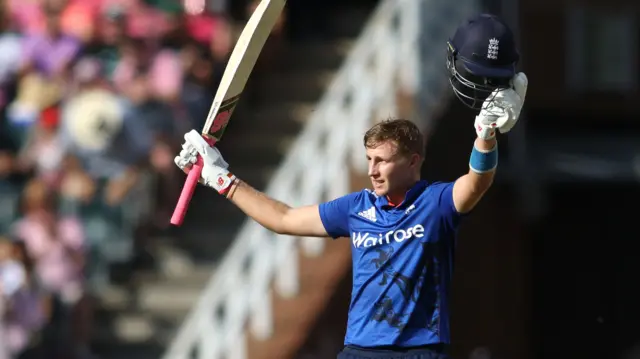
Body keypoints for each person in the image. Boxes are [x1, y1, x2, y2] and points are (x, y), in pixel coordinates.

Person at [174, 13, 528, 359]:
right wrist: (222, 179)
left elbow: (477, 182)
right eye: (369, 160)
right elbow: (283, 219)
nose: (372, 171)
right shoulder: (357, 208)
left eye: (382, 161)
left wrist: (486, 136)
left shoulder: (435, 204)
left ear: (412, 162)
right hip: (359, 352)